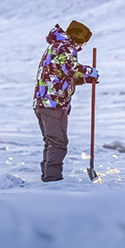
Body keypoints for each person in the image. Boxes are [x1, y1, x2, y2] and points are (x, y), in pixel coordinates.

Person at [33, 20, 98, 182]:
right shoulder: (65, 47)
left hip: (43, 101)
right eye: (84, 41)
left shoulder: (56, 46)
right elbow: (71, 68)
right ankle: (52, 180)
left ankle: (48, 176)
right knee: (58, 143)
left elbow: (61, 75)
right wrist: (89, 71)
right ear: (78, 37)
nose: (83, 45)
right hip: (53, 103)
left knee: (51, 142)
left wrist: (86, 79)